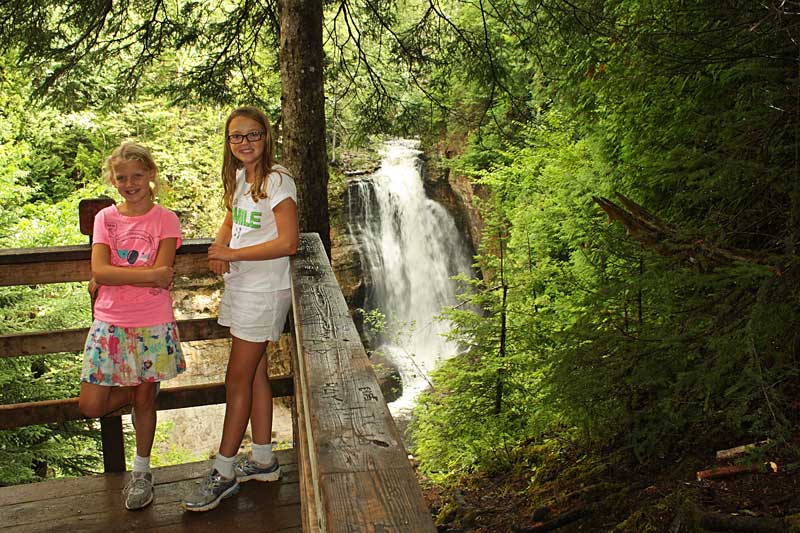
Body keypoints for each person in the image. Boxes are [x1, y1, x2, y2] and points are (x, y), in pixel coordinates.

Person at [182, 106, 298, 512]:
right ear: (229, 143)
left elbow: (288, 243)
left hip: (264, 289)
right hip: (243, 284)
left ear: (266, 137)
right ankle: (263, 460)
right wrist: (219, 248)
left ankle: (224, 470)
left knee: (237, 380)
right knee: (256, 375)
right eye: (236, 137)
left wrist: (233, 252)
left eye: (252, 135)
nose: (244, 143)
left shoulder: (278, 180)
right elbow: (232, 218)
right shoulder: (240, 177)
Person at [78, 142, 185, 511]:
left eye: (137, 175)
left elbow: (163, 275)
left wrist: (115, 275)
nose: (129, 183)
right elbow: (99, 270)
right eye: (121, 177)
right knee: (91, 404)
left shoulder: (165, 219)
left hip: (152, 322)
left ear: (151, 174)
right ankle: (135, 392)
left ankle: (142, 471)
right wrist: (145, 273)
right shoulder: (105, 219)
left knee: (145, 398)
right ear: (113, 180)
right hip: (110, 322)